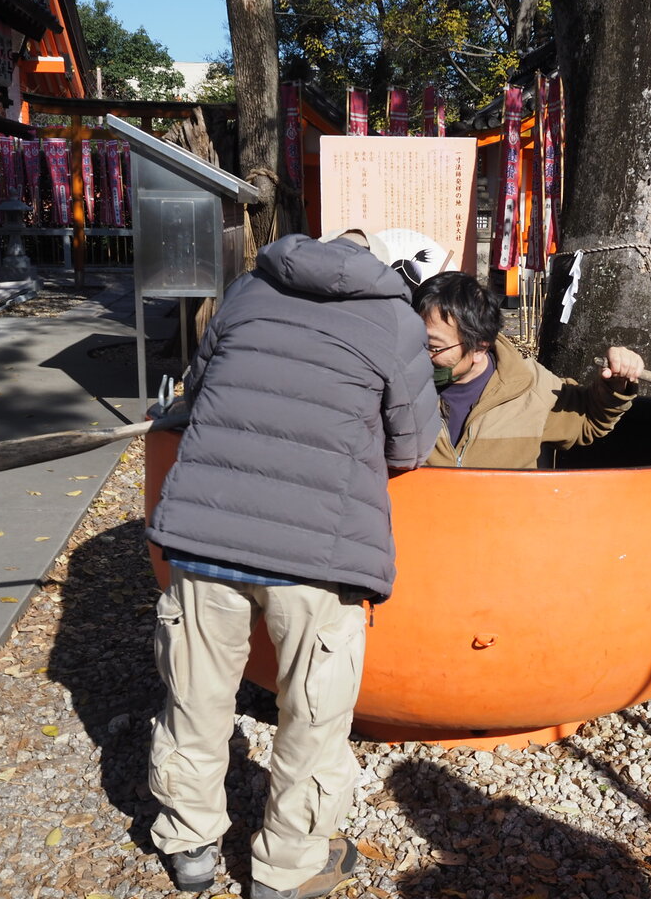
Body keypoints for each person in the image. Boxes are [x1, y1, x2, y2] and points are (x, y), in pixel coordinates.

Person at [145, 230, 439, 897]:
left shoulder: (247, 291)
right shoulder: (394, 319)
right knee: (313, 717)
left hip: (206, 531)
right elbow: (413, 445)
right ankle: (287, 869)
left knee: (194, 697)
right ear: (383, 266)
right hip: (316, 554)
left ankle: (189, 846)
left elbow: (199, 390)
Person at [411, 271, 643, 468]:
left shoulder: (530, 387)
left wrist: (615, 384)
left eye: (433, 346)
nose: (419, 354)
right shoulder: (399, 386)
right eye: (413, 339)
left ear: (480, 348)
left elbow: (589, 419)